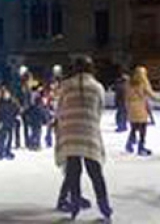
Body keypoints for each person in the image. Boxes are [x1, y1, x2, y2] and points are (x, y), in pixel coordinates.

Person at [55, 56, 112, 221]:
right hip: (89, 132)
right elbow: (100, 110)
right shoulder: (97, 86)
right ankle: (105, 207)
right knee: (95, 172)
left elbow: (59, 109)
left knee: (73, 172)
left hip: (69, 133)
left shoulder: (66, 86)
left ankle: (74, 206)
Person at [125, 66, 160, 156]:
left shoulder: (129, 83)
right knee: (142, 129)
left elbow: (126, 97)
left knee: (134, 127)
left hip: (131, 108)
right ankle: (141, 147)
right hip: (140, 108)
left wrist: (127, 108)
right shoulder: (143, 83)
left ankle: (129, 144)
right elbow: (152, 96)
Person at [0, 85, 19, 160]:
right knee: (2, 138)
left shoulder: (12, 102)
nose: (6, 95)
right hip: (3, 123)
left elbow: (16, 110)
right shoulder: (1, 103)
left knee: (10, 138)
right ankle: (1, 152)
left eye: (7, 94)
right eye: (4, 94)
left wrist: (16, 117)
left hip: (10, 122)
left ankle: (7, 151)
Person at [113, 68, 129, 133]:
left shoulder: (120, 86)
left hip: (122, 102)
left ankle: (121, 126)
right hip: (124, 102)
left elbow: (117, 95)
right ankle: (122, 126)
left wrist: (116, 102)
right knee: (123, 114)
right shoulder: (126, 86)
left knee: (121, 114)